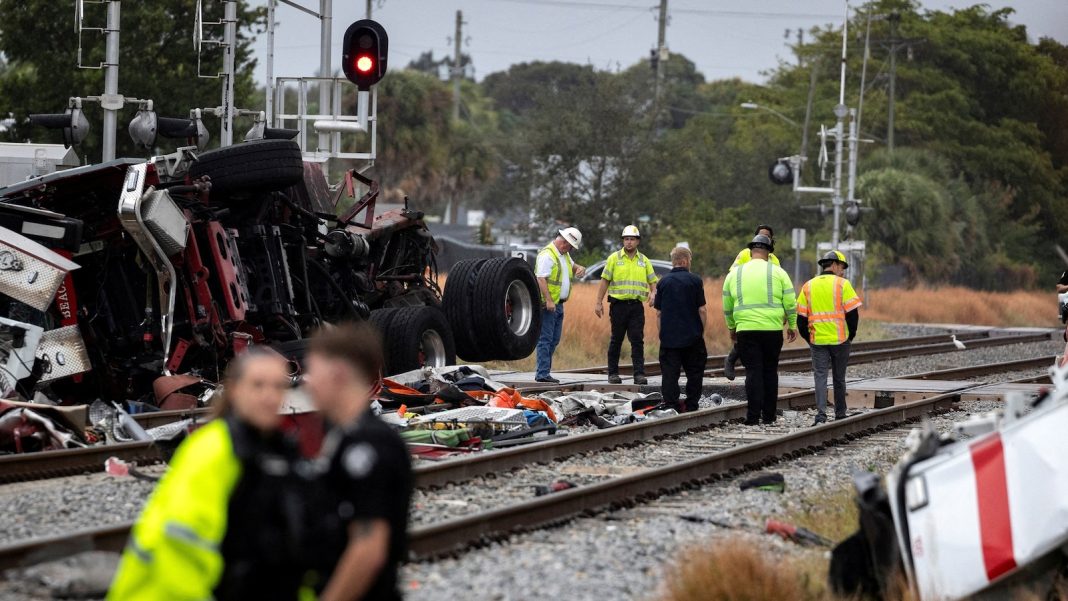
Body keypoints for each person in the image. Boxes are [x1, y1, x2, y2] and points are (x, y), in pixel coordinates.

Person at [108, 348, 304, 601]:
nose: (268, 396)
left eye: (278, 387)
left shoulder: (281, 452)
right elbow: (179, 554)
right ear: (234, 391)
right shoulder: (212, 449)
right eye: (257, 385)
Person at [302, 322, 412, 601]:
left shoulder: (368, 445)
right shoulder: (345, 436)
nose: (307, 382)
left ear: (337, 373)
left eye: (313, 371)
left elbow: (368, 548)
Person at [722, 234, 798, 425]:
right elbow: (790, 301)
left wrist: (732, 327)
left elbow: (727, 305)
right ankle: (769, 416)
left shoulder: (735, 274)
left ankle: (752, 417)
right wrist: (792, 324)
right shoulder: (779, 272)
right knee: (770, 371)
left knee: (753, 372)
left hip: (746, 330)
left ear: (751, 251)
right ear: (769, 252)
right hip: (772, 330)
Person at [797, 250, 863, 425]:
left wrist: (809, 338)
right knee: (839, 378)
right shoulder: (843, 284)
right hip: (841, 340)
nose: (842, 271)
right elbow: (853, 315)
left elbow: (801, 319)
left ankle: (821, 414)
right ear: (833, 265)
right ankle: (840, 412)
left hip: (817, 341)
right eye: (842, 267)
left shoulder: (808, 286)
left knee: (820, 376)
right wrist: (851, 336)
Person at [595, 225, 658, 385]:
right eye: (626, 239)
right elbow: (604, 281)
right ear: (623, 240)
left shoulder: (644, 261)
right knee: (616, 339)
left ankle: (639, 374)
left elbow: (653, 281)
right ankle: (613, 374)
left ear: (637, 241)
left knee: (637, 340)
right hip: (618, 306)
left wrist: (653, 293)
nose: (629, 242)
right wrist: (598, 302)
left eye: (632, 239)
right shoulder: (614, 259)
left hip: (636, 306)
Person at [724, 224, 781, 381]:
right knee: (746, 334)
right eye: (761, 235)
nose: (764, 238)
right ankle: (731, 359)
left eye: (767, 236)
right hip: (748, 299)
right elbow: (732, 274)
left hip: (767, 302)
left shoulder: (774, 259)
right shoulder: (744, 254)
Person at [654, 246, 707, 412]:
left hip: (669, 339)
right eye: (690, 260)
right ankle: (692, 404)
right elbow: (702, 310)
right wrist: (701, 332)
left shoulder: (662, 282)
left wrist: (662, 334)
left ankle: (671, 404)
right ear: (685, 261)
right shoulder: (696, 281)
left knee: (670, 374)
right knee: (695, 373)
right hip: (692, 337)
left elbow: (658, 313)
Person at [534, 227, 587, 384]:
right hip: (548, 305)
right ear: (564, 243)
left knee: (554, 339)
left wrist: (579, 268)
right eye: (570, 246)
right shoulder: (547, 255)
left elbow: (572, 265)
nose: (570, 249)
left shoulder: (564, 254)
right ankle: (542, 374)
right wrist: (549, 300)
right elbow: (541, 279)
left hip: (559, 305)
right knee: (546, 339)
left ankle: (545, 372)